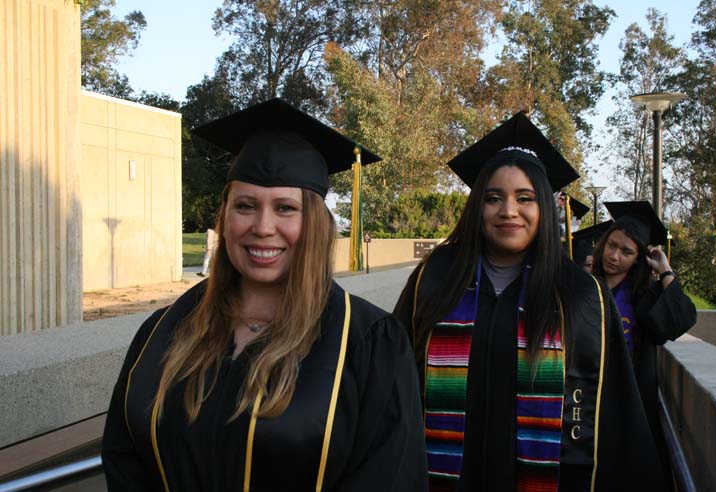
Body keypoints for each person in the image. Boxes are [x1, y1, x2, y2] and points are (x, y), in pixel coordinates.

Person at [102, 98, 428, 492]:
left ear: (315, 225)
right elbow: (125, 457)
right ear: (224, 217)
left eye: (286, 208)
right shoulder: (163, 333)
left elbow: (389, 479)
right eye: (246, 206)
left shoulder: (368, 344)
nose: (262, 226)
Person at [394, 112, 667, 492]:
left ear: (545, 206)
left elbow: (612, 416)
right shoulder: (435, 279)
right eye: (493, 198)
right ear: (478, 206)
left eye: (525, 198)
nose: (508, 211)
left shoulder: (581, 296)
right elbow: (394, 385)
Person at [593, 200, 697, 487]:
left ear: (638, 258)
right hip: (585, 400)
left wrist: (665, 270)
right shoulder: (583, 286)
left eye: (626, 251)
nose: (614, 256)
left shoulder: (643, 297)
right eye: (612, 245)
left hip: (630, 404)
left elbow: (680, 320)